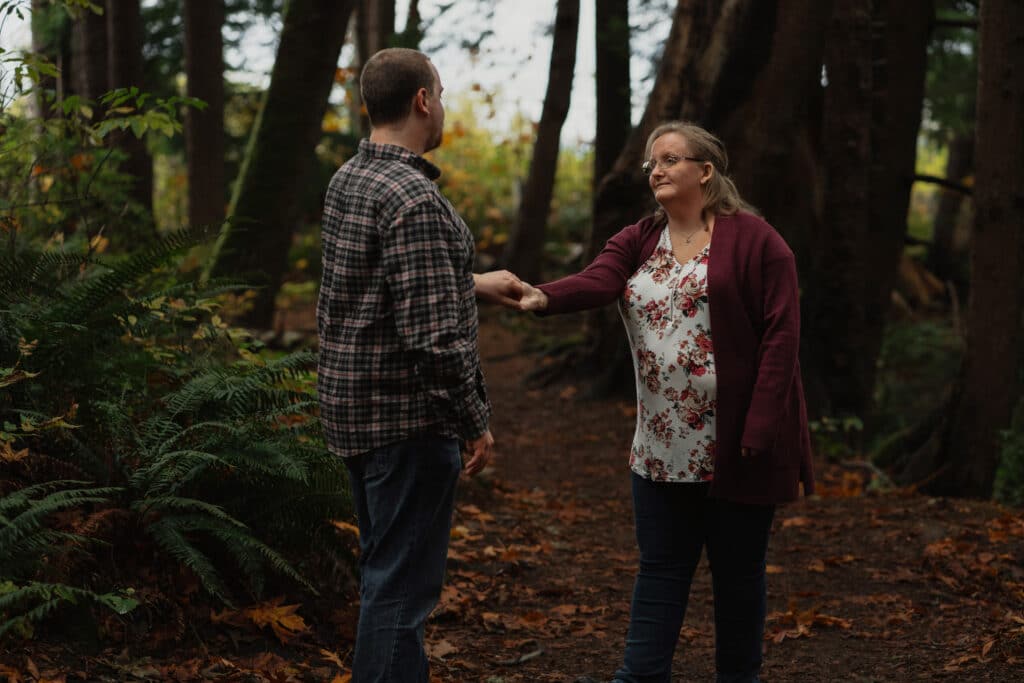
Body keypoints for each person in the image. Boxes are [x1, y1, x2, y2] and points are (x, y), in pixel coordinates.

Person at [514, 121, 814, 683]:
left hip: (737, 446)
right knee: (660, 571)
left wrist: (761, 428)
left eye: (671, 158)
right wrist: (541, 296)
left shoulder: (757, 241)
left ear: (705, 171)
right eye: (652, 161)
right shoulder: (638, 238)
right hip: (660, 447)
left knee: (738, 577)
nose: (656, 168)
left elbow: (782, 338)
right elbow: (599, 280)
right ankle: (639, 676)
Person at [316, 47, 520, 682]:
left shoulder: (350, 178)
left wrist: (472, 279)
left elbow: (373, 285)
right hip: (406, 421)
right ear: (423, 101)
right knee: (400, 594)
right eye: (444, 93)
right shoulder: (415, 200)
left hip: (354, 412)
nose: (444, 106)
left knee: (386, 575)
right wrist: (473, 420)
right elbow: (433, 341)